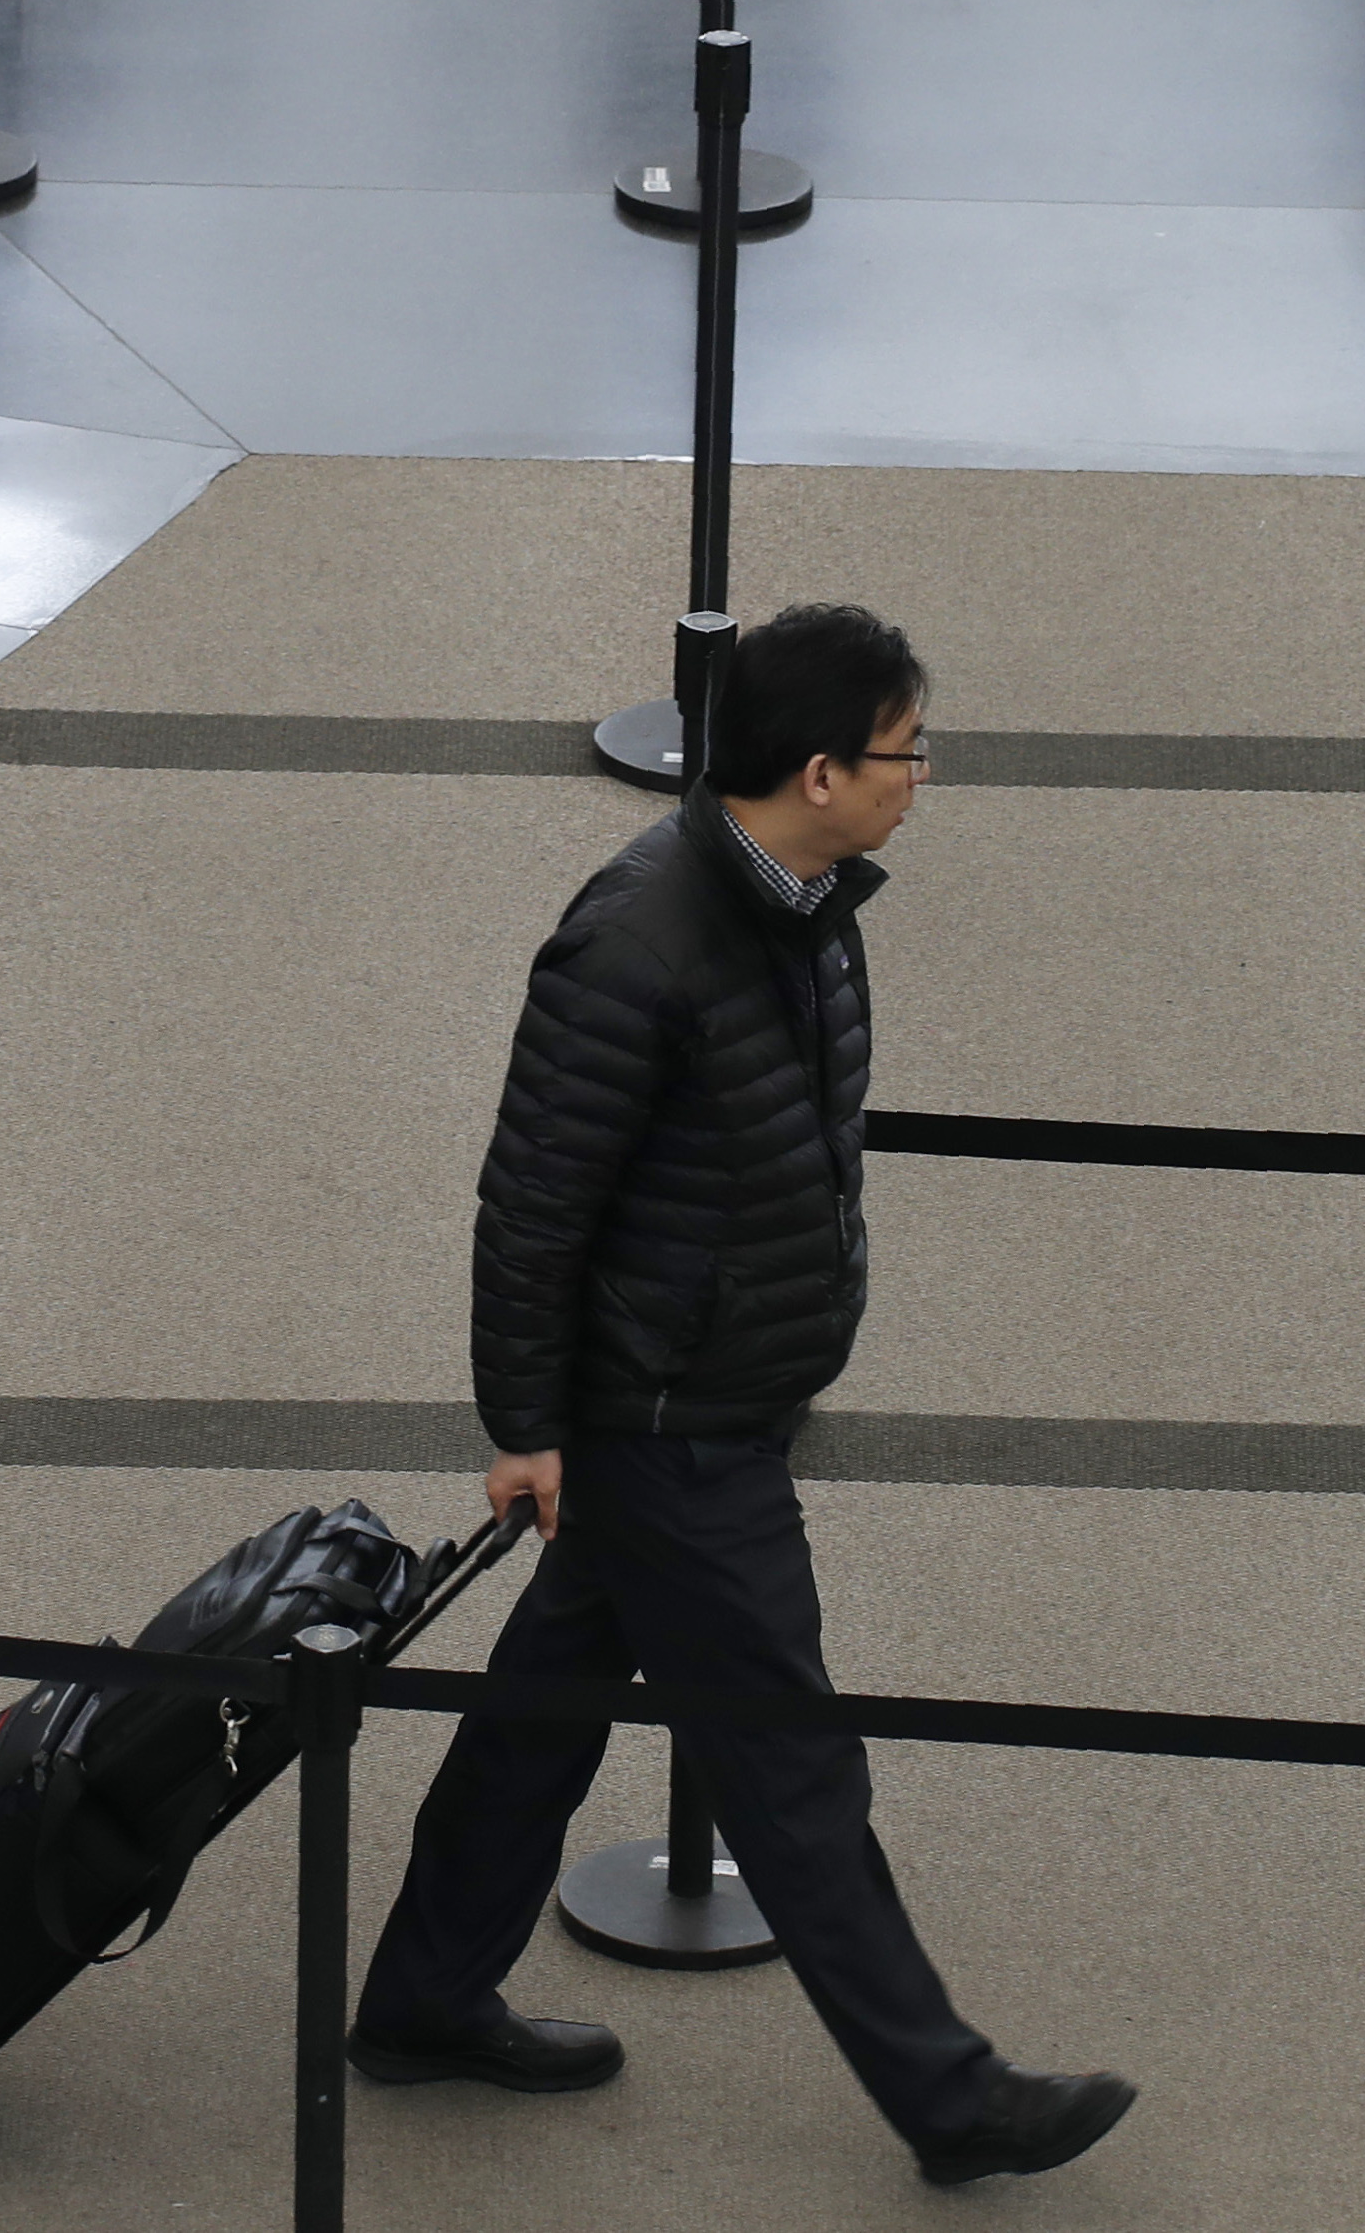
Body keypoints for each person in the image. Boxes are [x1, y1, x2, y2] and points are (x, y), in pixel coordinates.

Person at [344, 602, 1138, 2190]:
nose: (926, 778)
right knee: (788, 1760)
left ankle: (426, 1996)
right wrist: (525, 1428)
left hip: (716, 1383)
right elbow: (533, 1206)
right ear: (824, 770)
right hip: (668, 1424)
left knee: (543, 1716)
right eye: (909, 751)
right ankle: (949, 2098)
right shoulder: (641, 939)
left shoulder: (804, 899)